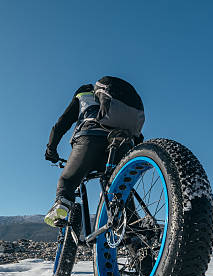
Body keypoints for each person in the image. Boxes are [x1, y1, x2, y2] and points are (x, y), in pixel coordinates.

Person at [44, 76, 145, 227]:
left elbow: (60, 125)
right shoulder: (118, 104)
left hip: (90, 138)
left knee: (68, 180)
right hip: (122, 143)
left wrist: (51, 150)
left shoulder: (83, 95)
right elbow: (138, 137)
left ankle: (62, 204)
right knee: (121, 192)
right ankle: (137, 238)